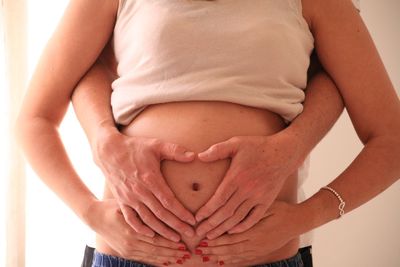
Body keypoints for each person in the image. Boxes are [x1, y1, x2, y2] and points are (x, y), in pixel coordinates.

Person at [16, 0, 400, 266]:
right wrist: (92, 213)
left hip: (262, 259)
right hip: (128, 256)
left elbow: (391, 138)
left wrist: (306, 216)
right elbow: (35, 118)